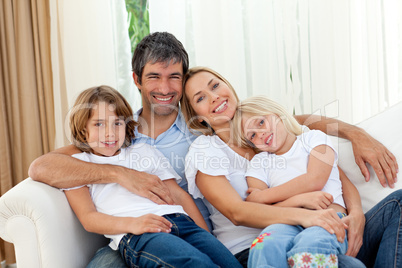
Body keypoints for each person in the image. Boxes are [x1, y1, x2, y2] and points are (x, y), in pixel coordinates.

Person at [28, 32, 398, 267]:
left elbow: (303, 131)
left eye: (174, 76)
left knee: (395, 205)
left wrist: (354, 139)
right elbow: (44, 167)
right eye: (154, 77)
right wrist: (120, 172)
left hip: (242, 229)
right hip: (179, 232)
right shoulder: (120, 135)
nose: (165, 87)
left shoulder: (248, 128)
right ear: (137, 79)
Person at [181, 66, 402, 268]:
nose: (214, 97)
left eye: (216, 85)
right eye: (201, 98)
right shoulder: (206, 151)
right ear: (198, 118)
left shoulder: (272, 130)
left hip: (325, 224)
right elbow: (238, 212)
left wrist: (356, 216)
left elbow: (335, 175)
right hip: (260, 245)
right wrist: (304, 213)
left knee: (397, 203)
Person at [64, 85, 242, 267]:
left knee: (229, 263)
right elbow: (89, 219)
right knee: (196, 263)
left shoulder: (143, 150)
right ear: (83, 129)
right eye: (99, 124)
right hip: (142, 233)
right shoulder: (78, 165)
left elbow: (178, 195)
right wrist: (133, 224)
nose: (110, 133)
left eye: (117, 123)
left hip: (182, 222)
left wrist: (204, 234)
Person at [232, 95, 348, 267]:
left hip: (328, 216)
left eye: (261, 122)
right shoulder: (259, 162)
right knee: (263, 246)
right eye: (253, 135)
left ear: (277, 113)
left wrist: (263, 196)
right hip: (285, 223)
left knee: (310, 246)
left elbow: (314, 180)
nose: (261, 134)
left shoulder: (314, 138)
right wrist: (299, 200)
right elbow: (259, 211)